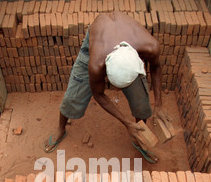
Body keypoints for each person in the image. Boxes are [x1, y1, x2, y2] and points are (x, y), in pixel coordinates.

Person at [44, 11, 169, 162]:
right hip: (99, 38)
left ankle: (140, 138)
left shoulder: (151, 47)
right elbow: (99, 95)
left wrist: (159, 105)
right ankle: (61, 129)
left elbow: (156, 68)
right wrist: (126, 122)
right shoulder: (96, 63)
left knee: (141, 102)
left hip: (126, 36)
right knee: (73, 96)